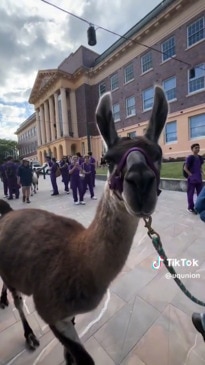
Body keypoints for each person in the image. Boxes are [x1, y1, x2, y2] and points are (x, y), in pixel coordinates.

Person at [184, 143, 204, 213]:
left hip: (199, 178)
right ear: (192, 149)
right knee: (190, 193)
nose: (197, 149)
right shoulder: (190, 157)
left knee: (200, 194)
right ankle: (190, 207)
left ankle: (199, 207)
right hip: (192, 179)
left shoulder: (200, 158)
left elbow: (200, 167)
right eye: (196, 148)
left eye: (198, 147)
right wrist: (190, 175)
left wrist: (203, 172)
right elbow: (185, 168)